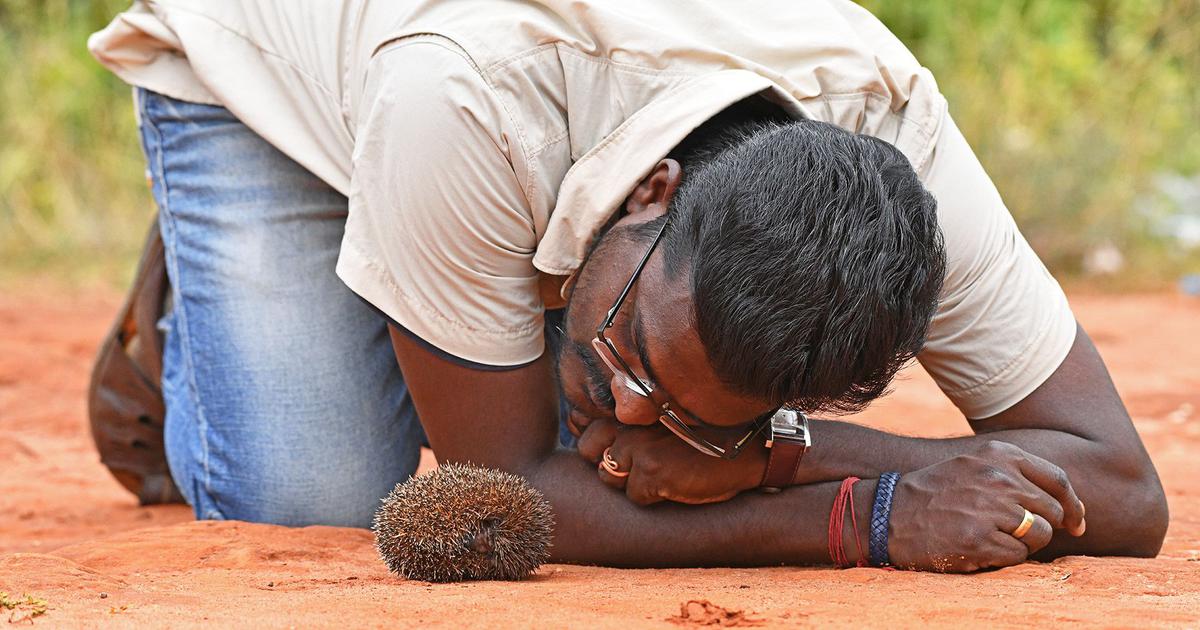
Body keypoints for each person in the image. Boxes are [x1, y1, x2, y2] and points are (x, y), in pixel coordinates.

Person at [88, 0, 1167, 572]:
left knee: (596, 412)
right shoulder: (456, 95)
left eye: (701, 414)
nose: (633, 418)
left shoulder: (896, 150)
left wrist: (775, 451)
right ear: (653, 192)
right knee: (310, 497)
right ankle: (207, 299)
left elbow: (1121, 486)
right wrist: (862, 515)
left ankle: (433, 274)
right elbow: (502, 494)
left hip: (509, 151)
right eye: (638, 356)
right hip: (273, 67)